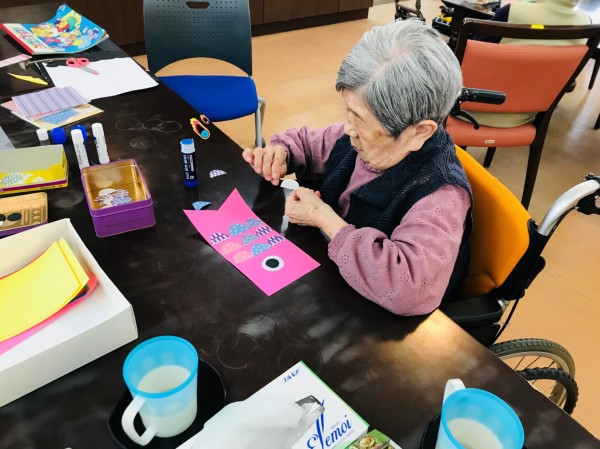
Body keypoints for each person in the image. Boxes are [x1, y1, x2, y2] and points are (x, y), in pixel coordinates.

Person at [242, 20, 472, 316]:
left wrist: (323, 217)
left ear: (419, 132)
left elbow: (409, 291)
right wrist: (282, 153)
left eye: (360, 119)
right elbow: (307, 143)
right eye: (347, 112)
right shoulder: (359, 139)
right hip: (333, 281)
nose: (348, 129)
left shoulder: (440, 195)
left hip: (378, 318)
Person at [472, 0, 591, 128]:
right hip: (524, 117)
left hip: (470, 109)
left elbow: (472, 55)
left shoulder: (512, 12)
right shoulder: (586, 24)